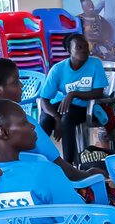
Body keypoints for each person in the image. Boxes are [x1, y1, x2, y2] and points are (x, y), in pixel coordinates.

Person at [0, 57, 84, 181]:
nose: (22, 85)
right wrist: (90, 174)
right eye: (15, 82)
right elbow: (63, 169)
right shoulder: (22, 123)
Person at [0, 100, 81, 209]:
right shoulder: (45, 172)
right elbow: (81, 220)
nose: (32, 126)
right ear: (4, 132)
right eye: (24, 122)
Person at [38, 33, 108, 164]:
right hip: (67, 106)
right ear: (69, 50)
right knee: (46, 118)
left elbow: (98, 92)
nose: (84, 50)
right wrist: (56, 118)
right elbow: (44, 99)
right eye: (79, 47)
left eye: (86, 47)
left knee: (67, 119)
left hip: (87, 107)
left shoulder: (95, 64)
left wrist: (74, 94)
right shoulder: (58, 69)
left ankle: (68, 164)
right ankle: (40, 160)